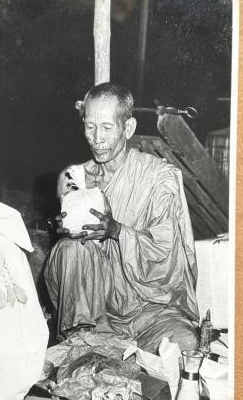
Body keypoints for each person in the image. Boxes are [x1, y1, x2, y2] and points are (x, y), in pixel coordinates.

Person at [44, 82, 200, 354]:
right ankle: (86, 341)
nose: (97, 138)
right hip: (97, 311)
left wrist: (116, 231)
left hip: (149, 308)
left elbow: (167, 258)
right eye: (90, 127)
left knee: (185, 344)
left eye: (106, 127)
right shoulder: (73, 178)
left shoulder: (158, 178)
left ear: (128, 128)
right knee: (71, 248)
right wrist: (62, 229)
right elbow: (69, 268)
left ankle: (106, 350)